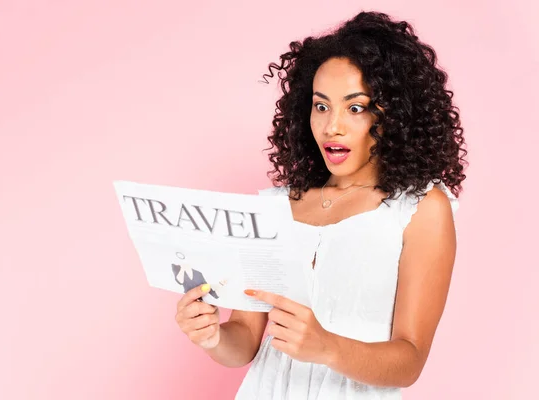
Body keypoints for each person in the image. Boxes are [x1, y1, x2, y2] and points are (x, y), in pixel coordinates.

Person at [174, 10, 467, 399]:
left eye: (356, 107)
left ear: (394, 114)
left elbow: (409, 359)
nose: (333, 126)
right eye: (322, 105)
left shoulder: (419, 209)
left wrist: (327, 347)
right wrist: (211, 336)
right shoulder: (277, 207)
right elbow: (243, 339)